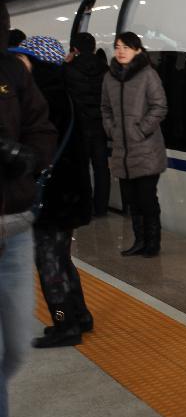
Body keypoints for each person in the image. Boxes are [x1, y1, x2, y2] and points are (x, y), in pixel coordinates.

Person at [0, 1, 57, 417]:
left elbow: (42, 127)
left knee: (16, 350)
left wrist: (30, 159)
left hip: (14, 228)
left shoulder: (13, 74)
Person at [10, 36, 94, 347]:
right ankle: (81, 315)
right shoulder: (65, 94)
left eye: (25, 59)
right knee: (61, 257)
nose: (21, 66)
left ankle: (64, 323)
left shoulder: (40, 99)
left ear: (39, 62)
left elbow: (34, 150)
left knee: (48, 262)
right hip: (69, 193)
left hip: (51, 195)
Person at [101, 32, 167, 257]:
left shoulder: (148, 75)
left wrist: (139, 131)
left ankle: (153, 243)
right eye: (117, 46)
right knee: (132, 201)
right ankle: (139, 241)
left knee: (147, 198)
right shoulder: (109, 78)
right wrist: (112, 130)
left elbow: (159, 106)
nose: (120, 51)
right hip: (122, 151)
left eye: (126, 47)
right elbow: (105, 109)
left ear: (138, 50)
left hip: (146, 150)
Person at [65, 32, 110, 217]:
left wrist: (65, 64)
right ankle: (101, 208)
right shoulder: (106, 69)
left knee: (82, 167)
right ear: (93, 47)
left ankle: (84, 207)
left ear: (74, 49)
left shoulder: (68, 69)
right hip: (100, 126)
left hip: (80, 126)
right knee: (101, 168)